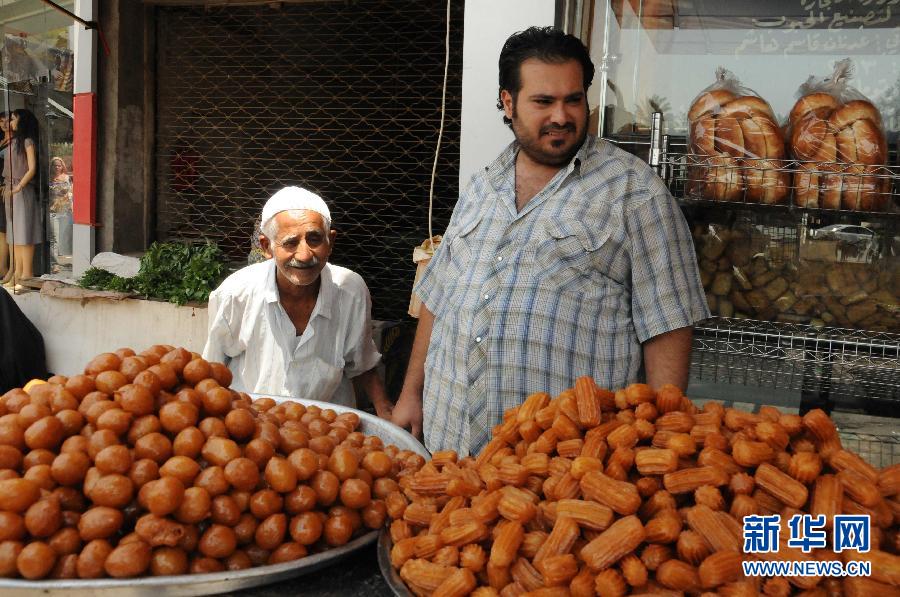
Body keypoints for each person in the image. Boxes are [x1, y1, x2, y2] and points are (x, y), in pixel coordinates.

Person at [392, 27, 709, 455]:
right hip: (452, 458)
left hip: (561, 470)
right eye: (543, 102)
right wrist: (411, 392)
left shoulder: (636, 193)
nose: (561, 116)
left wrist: (659, 443)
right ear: (508, 102)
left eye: (573, 99)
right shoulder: (481, 188)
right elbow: (437, 297)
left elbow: (669, 326)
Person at [203, 186, 393, 418]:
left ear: (330, 241)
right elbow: (212, 371)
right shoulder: (235, 295)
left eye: (314, 239)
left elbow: (362, 362)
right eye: (290, 243)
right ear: (267, 247)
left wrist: (386, 412)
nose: (304, 255)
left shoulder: (351, 291)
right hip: (250, 422)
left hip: (325, 426)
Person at [2, 109, 41, 291]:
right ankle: (17, 272)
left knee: (24, 232)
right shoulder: (14, 142)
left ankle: (27, 274)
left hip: (22, 190)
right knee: (14, 234)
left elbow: (32, 168)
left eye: (13, 119)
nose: (11, 122)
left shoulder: (27, 141)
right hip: (11, 190)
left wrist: (19, 186)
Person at [48, 156, 73, 262]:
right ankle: (55, 263)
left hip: (66, 211)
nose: (57, 167)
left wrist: (72, 206)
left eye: (59, 165)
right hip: (53, 211)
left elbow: (71, 192)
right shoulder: (48, 178)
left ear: (62, 166)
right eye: (55, 165)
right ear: (51, 167)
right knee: (54, 238)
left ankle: (66, 258)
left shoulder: (67, 177)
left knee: (65, 237)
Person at [0, 112, 11, 281]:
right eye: (1, 121)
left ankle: (6, 268)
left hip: (6, 189)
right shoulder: (1, 141)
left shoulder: (17, 141)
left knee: (5, 229)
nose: (3, 124)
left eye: (8, 120)